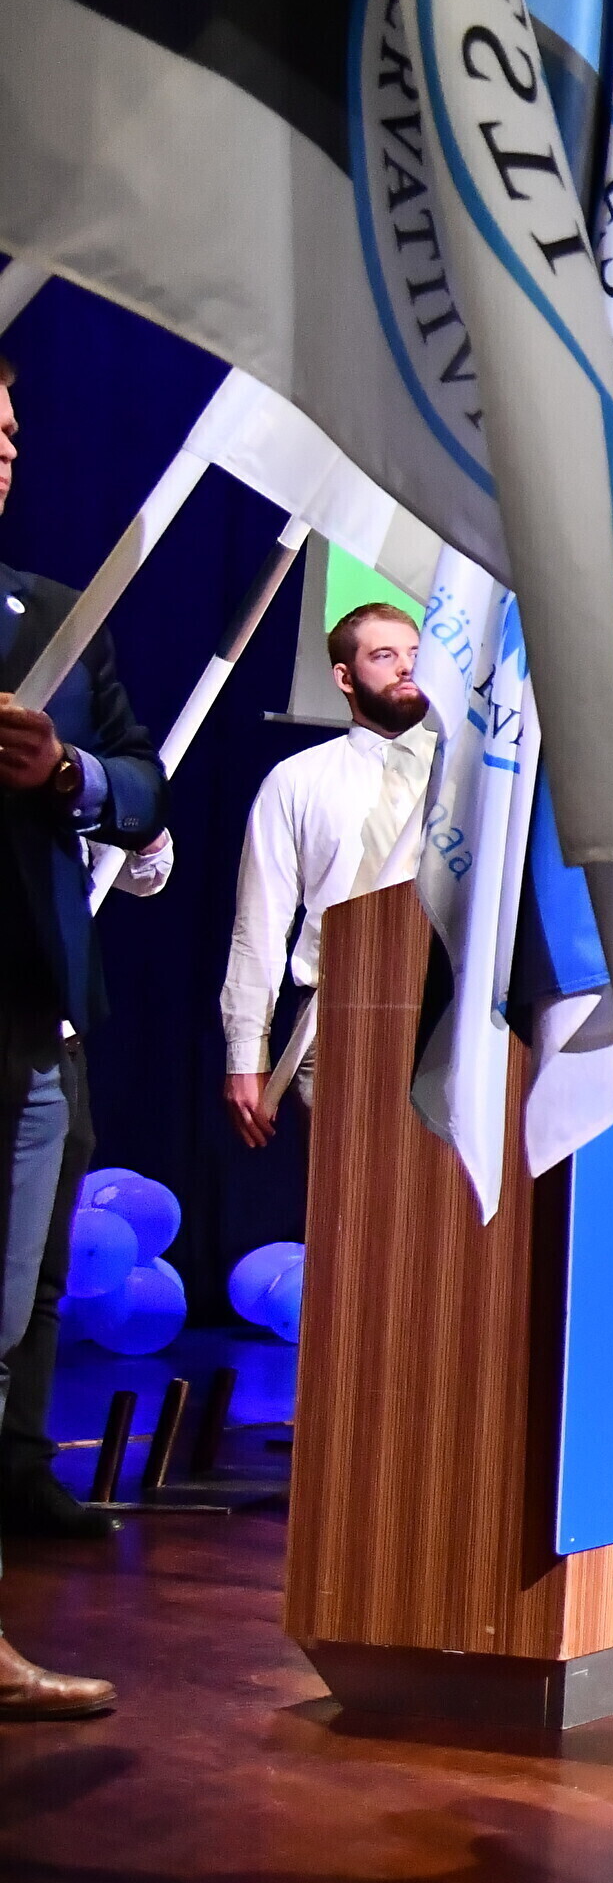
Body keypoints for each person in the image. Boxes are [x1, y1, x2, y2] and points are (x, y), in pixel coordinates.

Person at [0, 349, 167, 1717]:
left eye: (11, 428)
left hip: (35, 1020)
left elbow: (144, 781)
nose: (6, 448)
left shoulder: (55, 617)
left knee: (15, 1306)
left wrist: (69, 772)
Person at [3, 830, 171, 1542]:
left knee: (44, 1274)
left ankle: (21, 1471)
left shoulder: (67, 783)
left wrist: (132, 825)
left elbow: (149, 872)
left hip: (56, 1040)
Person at [219, 601, 431, 1149]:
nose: (407, 667)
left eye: (415, 653)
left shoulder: (469, 773)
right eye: (384, 656)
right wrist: (246, 1055)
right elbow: (260, 925)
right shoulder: (298, 781)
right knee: (351, 1192)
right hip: (338, 1019)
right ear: (344, 677)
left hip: (454, 1016)